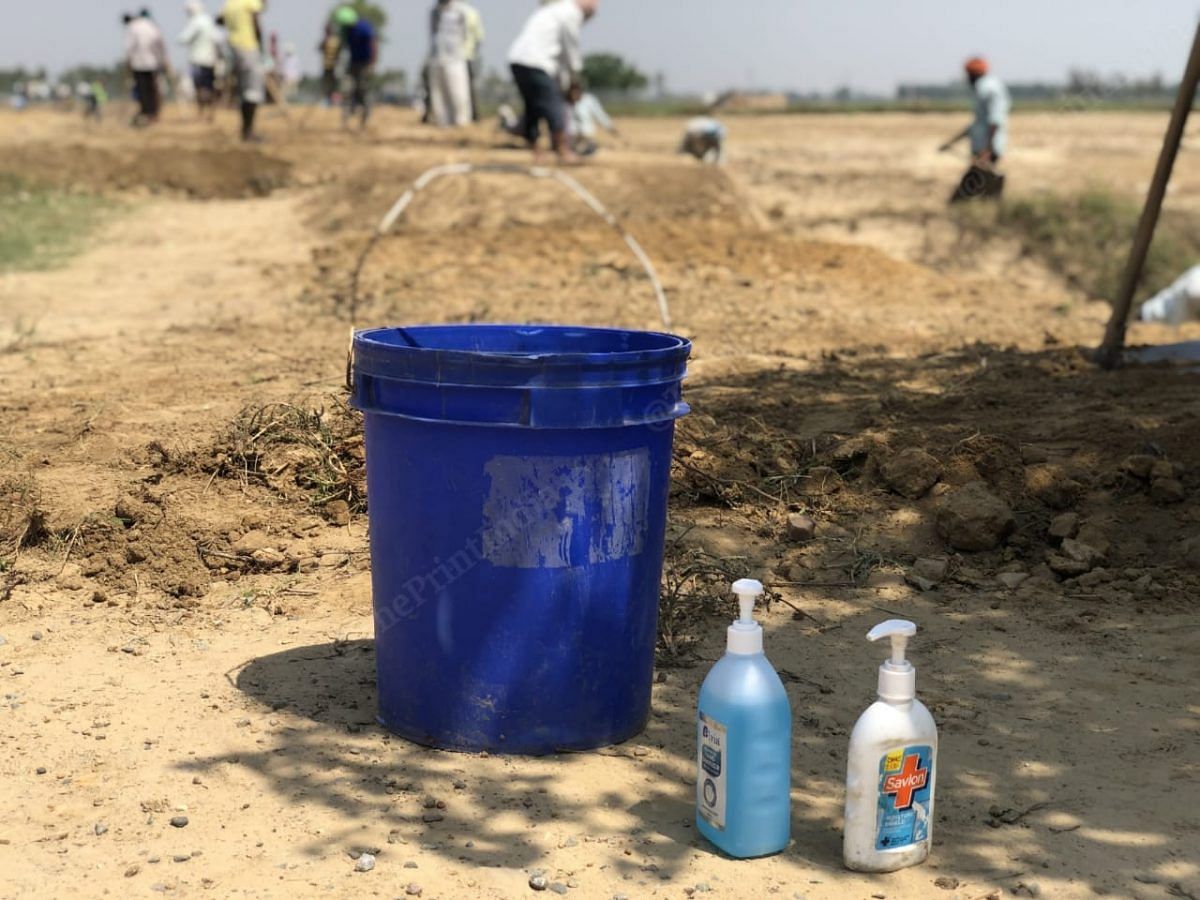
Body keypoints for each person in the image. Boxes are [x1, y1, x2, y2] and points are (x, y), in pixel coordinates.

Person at [507, 0, 599, 163]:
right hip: (535, 62)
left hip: (518, 59)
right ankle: (563, 151)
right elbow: (571, 50)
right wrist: (574, 81)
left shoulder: (554, 10)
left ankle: (536, 151)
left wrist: (566, 81)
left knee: (533, 108)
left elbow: (558, 55)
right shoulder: (571, 13)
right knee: (555, 106)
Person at [940, 56, 1010, 200]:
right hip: (982, 148)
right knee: (982, 193)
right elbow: (976, 125)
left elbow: (995, 121)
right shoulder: (983, 88)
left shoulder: (988, 89)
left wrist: (987, 150)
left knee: (964, 195)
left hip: (987, 149)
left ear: (973, 74)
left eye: (968, 74)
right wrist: (952, 142)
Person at [220, 0, 266, 141]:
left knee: (243, 91)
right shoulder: (249, 2)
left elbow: (219, 20)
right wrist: (260, 44)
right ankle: (248, 131)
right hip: (248, 46)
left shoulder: (229, 3)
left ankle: (245, 130)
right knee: (252, 91)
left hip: (234, 48)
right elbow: (256, 20)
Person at [428, 0, 473, 127]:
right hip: (437, 56)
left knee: (458, 93)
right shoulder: (434, 11)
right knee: (438, 95)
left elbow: (466, 34)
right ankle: (443, 123)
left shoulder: (461, 11)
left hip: (456, 57)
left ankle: (461, 123)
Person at [125, 8, 169, 126]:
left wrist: (128, 63)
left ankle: (146, 113)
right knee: (153, 90)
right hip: (153, 64)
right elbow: (161, 46)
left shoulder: (133, 27)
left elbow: (129, 48)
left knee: (143, 91)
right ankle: (152, 114)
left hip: (138, 64)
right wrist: (164, 61)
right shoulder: (153, 27)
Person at [179, 0, 220, 120]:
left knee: (200, 87)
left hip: (197, 61)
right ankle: (210, 112)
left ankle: (202, 112)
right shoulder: (209, 21)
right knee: (209, 86)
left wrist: (177, 40)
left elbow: (184, 38)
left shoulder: (196, 22)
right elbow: (218, 38)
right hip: (211, 60)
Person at [336, 8, 377, 129]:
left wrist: (372, 62)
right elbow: (342, 46)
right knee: (346, 89)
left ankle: (364, 121)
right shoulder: (345, 30)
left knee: (363, 91)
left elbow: (373, 43)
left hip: (365, 64)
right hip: (352, 63)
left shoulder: (364, 27)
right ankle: (345, 121)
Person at [565, 83, 616, 156]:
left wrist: (610, 127)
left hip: (586, 136)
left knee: (588, 148)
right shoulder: (565, 103)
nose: (574, 95)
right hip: (571, 138)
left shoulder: (588, 100)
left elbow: (600, 115)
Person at [461, 1, 485, 122]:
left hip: (454, 56)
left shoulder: (453, 11)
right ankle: (473, 115)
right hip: (467, 55)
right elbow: (479, 37)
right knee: (469, 87)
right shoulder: (472, 13)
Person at [319, 21, 341, 105]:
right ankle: (328, 100)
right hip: (327, 65)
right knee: (327, 83)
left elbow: (339, 52)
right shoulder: (328, 40)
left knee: (333, 84)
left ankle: (334, 100)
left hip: (334, 66)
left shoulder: (333, 40)